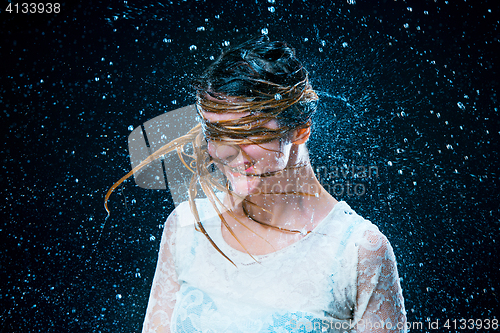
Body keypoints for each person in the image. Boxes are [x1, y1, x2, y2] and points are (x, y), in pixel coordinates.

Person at [107, 35, 407, 332]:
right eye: (215, 132)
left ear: (300, 130)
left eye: (248, 131)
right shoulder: (187, 228)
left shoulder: (358, 252)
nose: (225, 152)